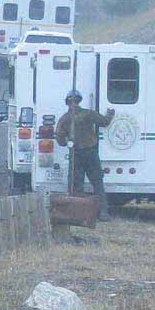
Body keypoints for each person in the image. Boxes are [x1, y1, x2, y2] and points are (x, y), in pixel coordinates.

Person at [54, 89, 116, 221]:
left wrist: (67, 141)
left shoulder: (64, 119)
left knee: (77, 185)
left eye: (73, 102)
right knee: (96, 183)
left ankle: (78, 213)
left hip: (77, 154)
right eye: (73, 102)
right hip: (90, 153)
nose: (73, 105)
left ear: (68, 103)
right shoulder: (88, 114)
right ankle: (102, 212)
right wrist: (110, 114)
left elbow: (59, 139)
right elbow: (104, 122)